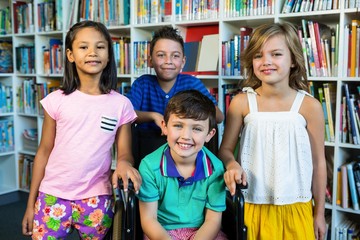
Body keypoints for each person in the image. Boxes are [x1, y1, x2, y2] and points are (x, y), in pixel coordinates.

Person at [21, 21, 141, 239]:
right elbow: (44, 151)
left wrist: (124, 163)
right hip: (52, 195)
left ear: (108, 55)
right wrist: (31, 204)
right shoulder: (56, 100)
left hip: (97, 197)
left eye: (100, 47)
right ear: (70, 55)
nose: (92, 52)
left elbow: (124, 152)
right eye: (83, 47)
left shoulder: (121, 104)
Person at [218, 22, 327, 240]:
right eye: (258, 56)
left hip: (297, 206)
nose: (266, 61)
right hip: (252, 206)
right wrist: (232, 164)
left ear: (294, 60)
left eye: (276, 54)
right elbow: (225, 150)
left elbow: (319, 162)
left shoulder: (310, 106)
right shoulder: (241, 103)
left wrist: (320, 213)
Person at [137, 90, 228, 240]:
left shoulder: (216, 168)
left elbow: (213, 220)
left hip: (202, 231)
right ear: (164, 127)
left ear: (209, 135)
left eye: (197, 129)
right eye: (178, 126)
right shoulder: (149, 166)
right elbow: (149, 220)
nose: (186, 136)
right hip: (162, 231)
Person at [126, 26, 224, 131]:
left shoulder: (192, 83)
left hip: (183, 142)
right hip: (148, 143)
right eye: (161, 55)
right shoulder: (142, 84)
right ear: (150, 61)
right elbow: (127, 114)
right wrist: (154, 116)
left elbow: (219, 117)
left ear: (183, 62)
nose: (168, 61)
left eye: (175, 56)